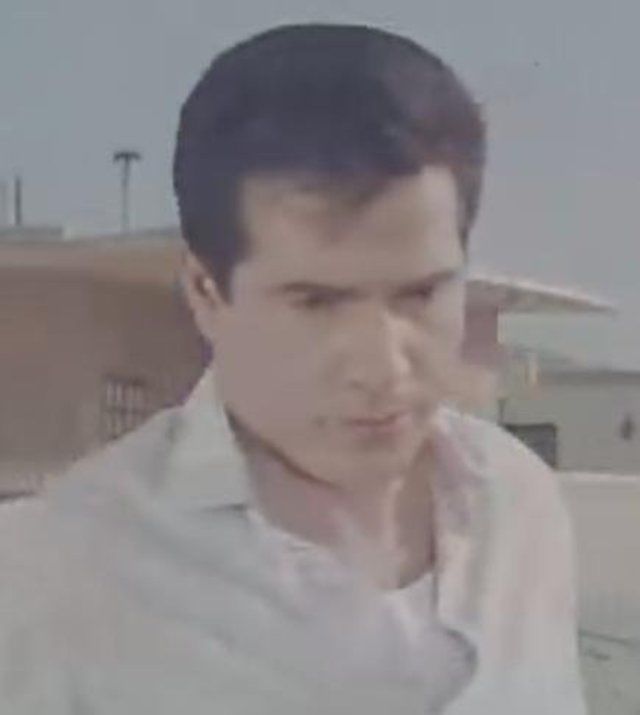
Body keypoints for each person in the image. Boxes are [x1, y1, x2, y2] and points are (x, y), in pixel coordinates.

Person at [0, 24, 586, 714]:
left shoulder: (516, 508)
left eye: (420, 294)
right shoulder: (68, 567)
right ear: (206, 293)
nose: (381, 365)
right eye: (317, 303)